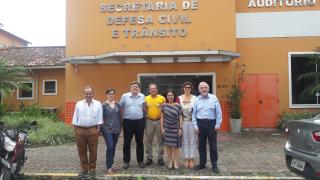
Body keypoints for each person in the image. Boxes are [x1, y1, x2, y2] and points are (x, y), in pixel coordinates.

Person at [72, 86, 103, 177]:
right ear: (84, 94)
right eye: (86, 93)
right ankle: (84, 169)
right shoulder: (79, 103)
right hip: (80, 130)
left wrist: (98, 129)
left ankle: (92, 169)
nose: (88, 95)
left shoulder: (98, 104)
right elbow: (75, 116)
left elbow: (100, 117)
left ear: (93, 93)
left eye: (90, 93)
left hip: (93, 130)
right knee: (82, 151)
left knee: (93, 151)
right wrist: (76, 129)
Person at [192, 82, 222, 173]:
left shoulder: (214, 98)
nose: (204, 89)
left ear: (208, 88)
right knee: (201, 146)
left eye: (205, 87)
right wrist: (195, 125)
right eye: (202, 88)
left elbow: (219, 112)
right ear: (199, 89)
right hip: (200, 123)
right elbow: (194, 114)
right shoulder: (196, 99)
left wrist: (218, 124)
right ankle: (202, 164)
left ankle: (214, 165)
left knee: (213, 146)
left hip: (211, 124)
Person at [120, 81, 146, 169]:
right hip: (128, 122)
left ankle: (140, 161)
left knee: (140, 142)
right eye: (133, 86)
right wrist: (121, 120)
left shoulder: (142, 96)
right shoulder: (124, 96)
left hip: (139, 122)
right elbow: (120, 107)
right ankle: (126, 161)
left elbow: (144, 108)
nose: (134, 88)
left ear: (139, 88)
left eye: (136, 87)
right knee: (127, 142)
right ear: (130, 88)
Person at [100, 88, 122, 175]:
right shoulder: (104, 105)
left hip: (116, 129)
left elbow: (120, 116)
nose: (111, 95)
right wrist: (101, 129)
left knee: (113, 147)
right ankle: (109, 167)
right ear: (107, 95)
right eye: (109, 94)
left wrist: (121, 127)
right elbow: (100, 118)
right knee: (110, 146)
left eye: (112, 94)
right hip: (107, 129)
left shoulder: (117, 104)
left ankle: (111, 164)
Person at [160, 90, 183, 170]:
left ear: (174, 96)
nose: (170, 97)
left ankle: (175, 162)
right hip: (167, 128)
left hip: (176, 128)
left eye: (171, 95)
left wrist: (180, 128)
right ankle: (170, 161)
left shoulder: (178, 105)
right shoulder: (164, 105)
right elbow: (162, 117)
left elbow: (180, 117)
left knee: (176, 147)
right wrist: (162, 128)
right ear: (166, 96)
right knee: (168, 146)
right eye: (168, 95)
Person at [144, 83, 166, 166]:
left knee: (161, 140)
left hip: (159, 121)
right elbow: (143, 109)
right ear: (149, 90)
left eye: (154, 88)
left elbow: (165, 110)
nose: (153, 90)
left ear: (157, 90)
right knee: (148, 140)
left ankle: (160, 157)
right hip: (149, 121)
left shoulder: (162, 98)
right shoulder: (146, 99)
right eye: (151, 89)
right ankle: (149, 157)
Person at [178, 82, 196, 169]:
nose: (187, 88)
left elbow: (196, 110)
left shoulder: (195, 98)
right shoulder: (179, 98)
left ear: (191, 88)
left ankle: (191, 158)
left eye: (189, 87)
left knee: (192, 141)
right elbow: (178, 111)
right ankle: (186, 158)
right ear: (183, 88)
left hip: (192, 122)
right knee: (184, 141)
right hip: (184, 121)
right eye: (186, 87)